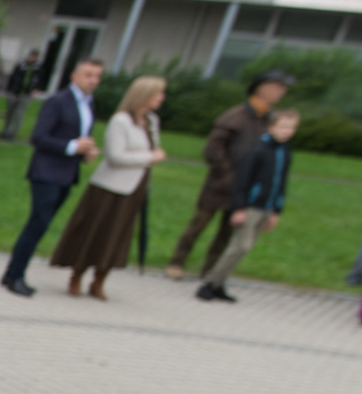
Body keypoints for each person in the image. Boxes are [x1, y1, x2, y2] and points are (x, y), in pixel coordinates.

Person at [167, 69, 293, 282]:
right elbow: (212, 149)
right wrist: (227, 173)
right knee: (199, 224)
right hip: (220, 183)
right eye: (277, 87)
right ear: (261, 88)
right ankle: (177, 262)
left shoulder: (271, 120)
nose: (282, 92)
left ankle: (210, 270)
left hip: (245, 189)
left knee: (227, 232)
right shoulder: (236, 116)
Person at [50, 75, 166, 301]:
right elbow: (115, 156)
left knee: (118, 235)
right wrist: (150, 157)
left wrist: (149, 157)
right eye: (158, 93)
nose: (161, 98)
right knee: (95, 231)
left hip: (134, 187)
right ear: (145, 95)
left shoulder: (152, 121)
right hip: (110, 187)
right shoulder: (121, 121)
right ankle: (77, 274)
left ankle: (100, 279)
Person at [2, 57, 102, 297]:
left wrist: (84, 152)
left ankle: (14, 273)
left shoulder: (89, 104)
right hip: (46, 172)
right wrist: (72, 146)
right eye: (88, 75)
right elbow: (39, 137)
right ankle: (14, 275)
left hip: (67, 173)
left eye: (97, 76)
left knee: (42, 225)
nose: (93, 81)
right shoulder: (58, 101)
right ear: (74, 76)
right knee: (37, 223)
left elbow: (78, 136)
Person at [197, 108, 295, 303]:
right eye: (283, 126)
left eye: (291, 128)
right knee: (240, 246)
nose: (287, 131)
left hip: (267, 207)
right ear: (271, 127)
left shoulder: (285, 152)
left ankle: (219, 284)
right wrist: (239, 207)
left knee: (245, 249)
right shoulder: (259, 150)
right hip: (251, 206)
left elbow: (281, 182)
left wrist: (276, 210)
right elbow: (242, 181)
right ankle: (210, 282)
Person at [0, 50, 41, 141]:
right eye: (32, 56)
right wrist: (9, 89)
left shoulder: (37, 68)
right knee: (10, 112)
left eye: (34, 57)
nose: (32, 58)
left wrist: (35, 89)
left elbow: (39, 80)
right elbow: (12, 77)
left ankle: (12, 133)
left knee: (19, 114)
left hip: (26, 94)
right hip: (15, 92)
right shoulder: (21, 65)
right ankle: (5, 131)